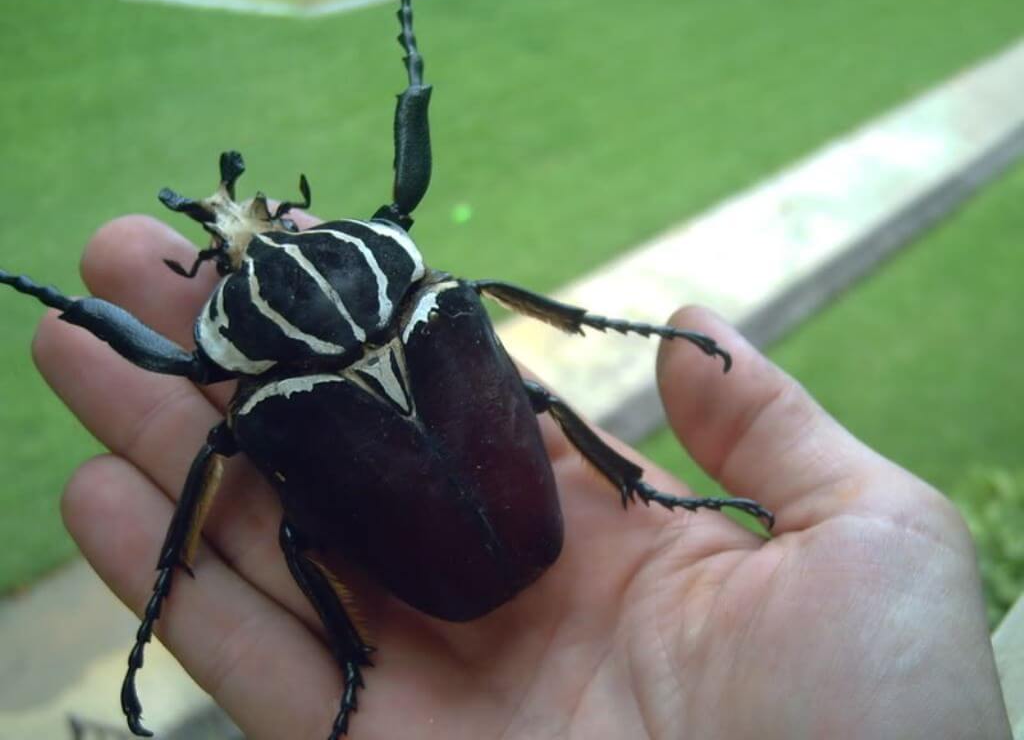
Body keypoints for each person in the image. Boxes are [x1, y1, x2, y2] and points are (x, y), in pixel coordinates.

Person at [33, 213, 1010, 739]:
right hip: (489, 550)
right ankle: (639, 497)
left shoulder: (253, 412)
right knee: (525, 406)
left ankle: (349, 666)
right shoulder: (447, 304)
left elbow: (172, 370)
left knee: (286, 528)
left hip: (448, 579)